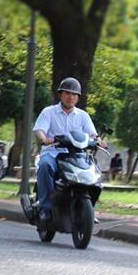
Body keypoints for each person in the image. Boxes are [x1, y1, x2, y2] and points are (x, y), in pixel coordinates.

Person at [33, 77, 106, 222]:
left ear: (78, 97)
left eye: (74, 94)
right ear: (60, 94)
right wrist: (44, 138)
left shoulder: (83, 116)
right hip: (53, 153)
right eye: (67, 93)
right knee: (45, 165)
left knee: (94, 171)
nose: (71, 97)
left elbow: (93, 134)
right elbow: (40, 130)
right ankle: (45, 208)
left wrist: (99, 141)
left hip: (76, 156)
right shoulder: (49, 112)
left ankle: (90, 209)